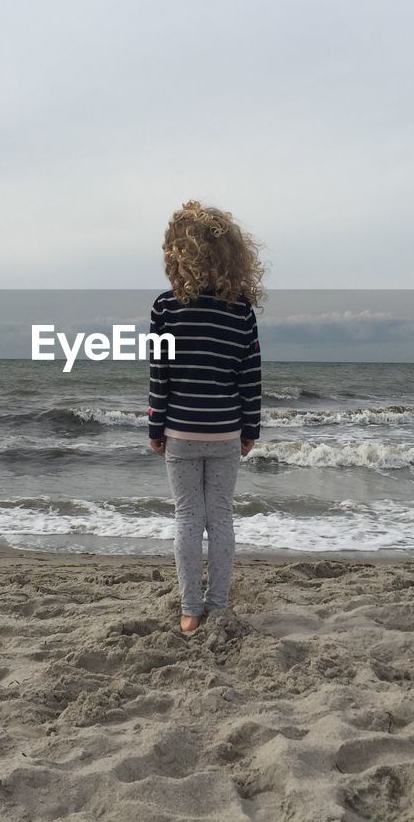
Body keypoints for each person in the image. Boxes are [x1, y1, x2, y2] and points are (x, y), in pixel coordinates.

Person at [147, 201, 264, 634]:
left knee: (188, 518)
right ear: (231, 255)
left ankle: (190, 611)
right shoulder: (241, 313)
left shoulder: (166, 309)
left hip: (180, 430)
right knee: (221, 517)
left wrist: (155, 426)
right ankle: (218, 604)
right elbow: (250, 377)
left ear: (176, 256)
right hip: (225, 430)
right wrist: (250, 428)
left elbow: (161, 375)